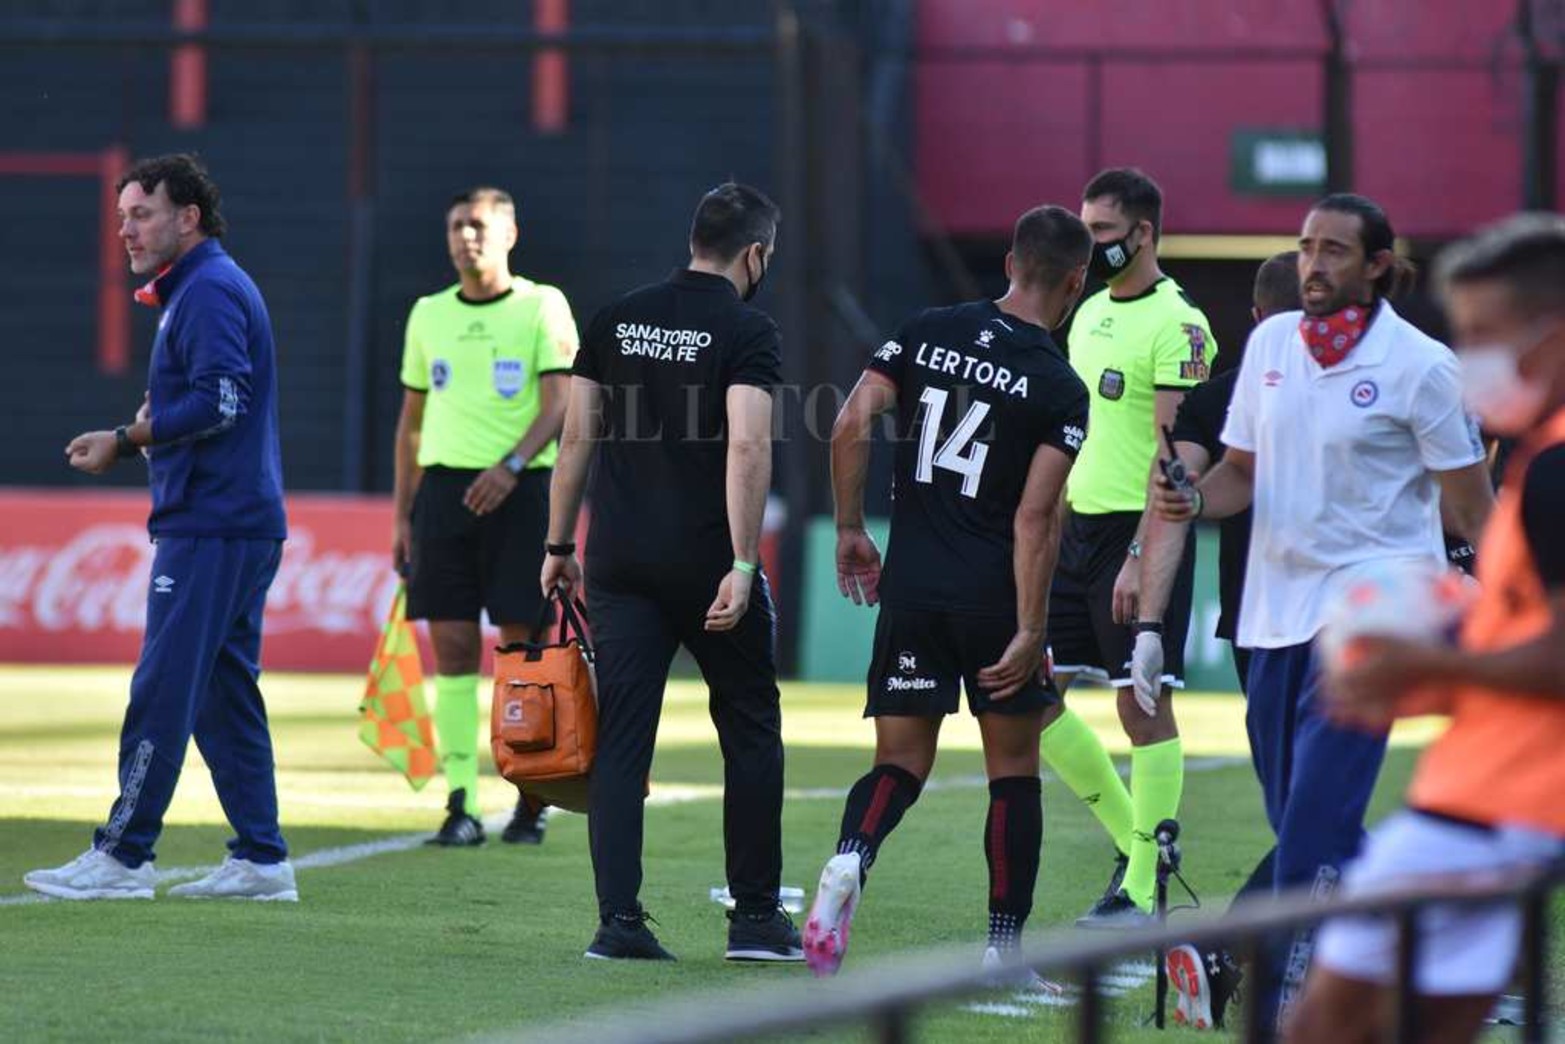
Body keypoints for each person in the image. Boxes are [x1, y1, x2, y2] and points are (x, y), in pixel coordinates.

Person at [1152, 193, 1496, 1030]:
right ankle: (1435, 923)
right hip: (1273, 618)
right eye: (1306, 247)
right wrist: (1191, 500)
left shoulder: (1422, 366)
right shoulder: (1268, 344)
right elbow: (1239, 474)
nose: (1313, 263)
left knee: (1311, 827)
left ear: (1377, 265)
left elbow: (1470, 509)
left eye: (1334, 250)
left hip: (1373, 623)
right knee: (1305, 830)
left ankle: (1275, 1006)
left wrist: (1498, 600)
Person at [1290, 213, 1565, 1044]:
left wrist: (1415, 658)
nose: (1470, 358)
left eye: (1485, 334)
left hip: (1485, 809)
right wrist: (1435, 676)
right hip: (1513, 813)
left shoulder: (1553, 471)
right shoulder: (1535, 458)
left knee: (1320, 1030)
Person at [803, 205, 1093, 976]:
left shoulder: (927, 329)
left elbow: (848, 422)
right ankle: (1004, 947)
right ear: (1077, 281)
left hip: (913, 585)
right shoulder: (1060, 387)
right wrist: (1031, 629)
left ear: (1007, 263)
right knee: (1013, 775)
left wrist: (846, 529)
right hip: (993, 598)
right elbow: (1036, 518)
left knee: (898, 761)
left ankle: (849, 860)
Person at [25, 153, 296, 901]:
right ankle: (262, 860)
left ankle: (125, 855)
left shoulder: (206, 289)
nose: (126, 231)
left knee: (165, 686)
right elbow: (216, 399)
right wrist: (150, 423)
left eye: (141, 214)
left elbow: (222, 404)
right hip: (230, 518)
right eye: (121, 218)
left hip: (211, 522)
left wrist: (127, 437)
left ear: (189, 217)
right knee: (221, 694)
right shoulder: (200, 287)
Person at [540, 182, 798, 963]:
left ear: (694, 240)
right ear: (755, 254)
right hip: (707, 563)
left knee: (621, 741)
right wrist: (744, 561)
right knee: (749, 731)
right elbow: (747, 447)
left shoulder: (616, 316)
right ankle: (754, 918)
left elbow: (576, 440)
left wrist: (557, 547)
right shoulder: (747, 329)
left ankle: (618, 924)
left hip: (619, 562)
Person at [1040, 168, 1217, 928]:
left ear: (1142, 233)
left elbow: (1170, 453)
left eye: (1103, 233)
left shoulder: (1179, 326)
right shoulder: (1083, 314)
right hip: (1074, 528)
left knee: (1139, 706)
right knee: (1026, 698)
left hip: (1134, 533)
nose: (1091, 246)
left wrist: (1142, 553)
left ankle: (1142, 888)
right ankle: (1138, 847)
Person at [393, 186, 578, 847]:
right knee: (450, 654)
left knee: (520, 655)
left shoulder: (541, 305)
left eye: (475, 225)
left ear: (508, 233)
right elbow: (410, 426)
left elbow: (561, 403)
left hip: (523, 493)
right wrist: (402, 517)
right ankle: (461, 802)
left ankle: (530, 798)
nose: (463, 237)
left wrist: (509, 464)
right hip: (443, 498)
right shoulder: (427, 314)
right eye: (453, 227)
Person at [1143, 252, 1299, 1027]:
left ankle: (1265, 953)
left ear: (1250, 315)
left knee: (1304, 807)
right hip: (1314, 620)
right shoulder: (1264, 390)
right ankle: (1248, 950)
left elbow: (1180, 486)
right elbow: (1197, 487)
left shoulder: (1213, 394)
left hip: (1254, 621)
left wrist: (1147, 607)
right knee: (1312, 813)